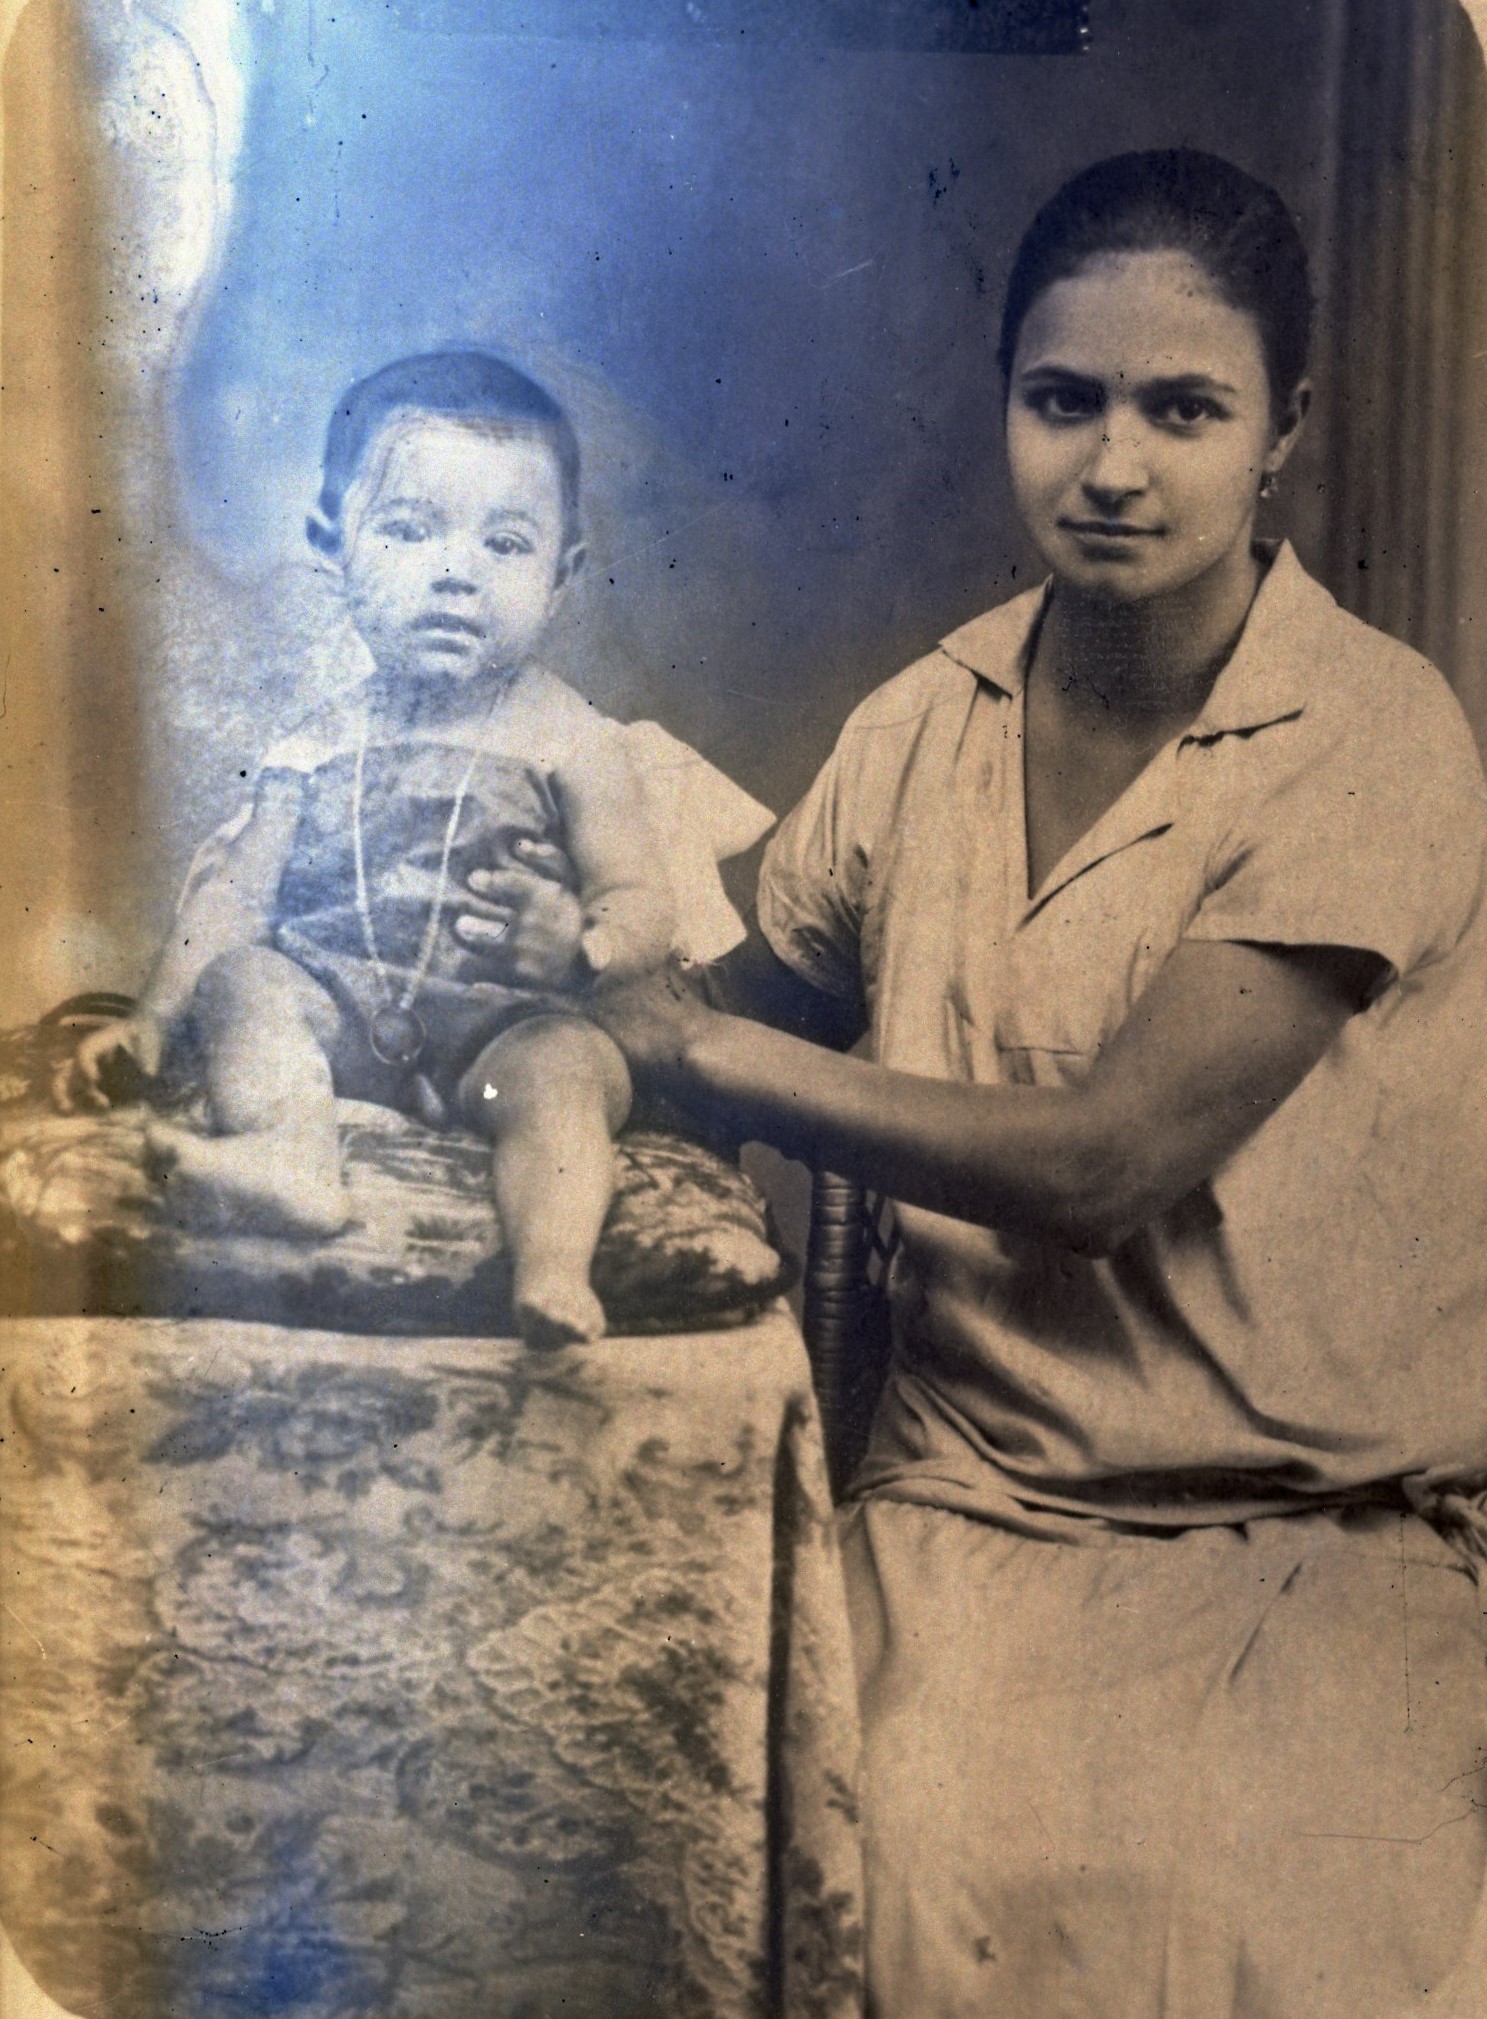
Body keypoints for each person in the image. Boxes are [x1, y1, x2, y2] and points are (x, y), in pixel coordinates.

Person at [466, 152, 1487, 2015]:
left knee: (1283, 1915)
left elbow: (1101, 1164)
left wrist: (691, 1041)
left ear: (1284, 428)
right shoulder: (925, 720)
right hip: (965, 1502)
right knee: (850, 1876)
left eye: (1184, 409)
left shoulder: (1371, 732)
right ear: (1004, 399)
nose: (1112, 465)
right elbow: (721, 1021)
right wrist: (554, 1012)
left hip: (1305, 1531)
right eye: (1061, 399)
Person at [56, 350, 678, 1348]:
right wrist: (153, 1019)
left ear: (560, 577)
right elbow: (233, 900)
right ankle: (288, 1157)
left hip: (503, 1033)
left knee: (569, 1073)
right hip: (344, 1020)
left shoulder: (573, 740)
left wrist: (581, 946)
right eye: (408, 529)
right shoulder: (312, 743)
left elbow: (642, 901)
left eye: (503, 544)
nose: (455, 573)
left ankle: (553, 1268)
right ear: (330, 544)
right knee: (245, 982)